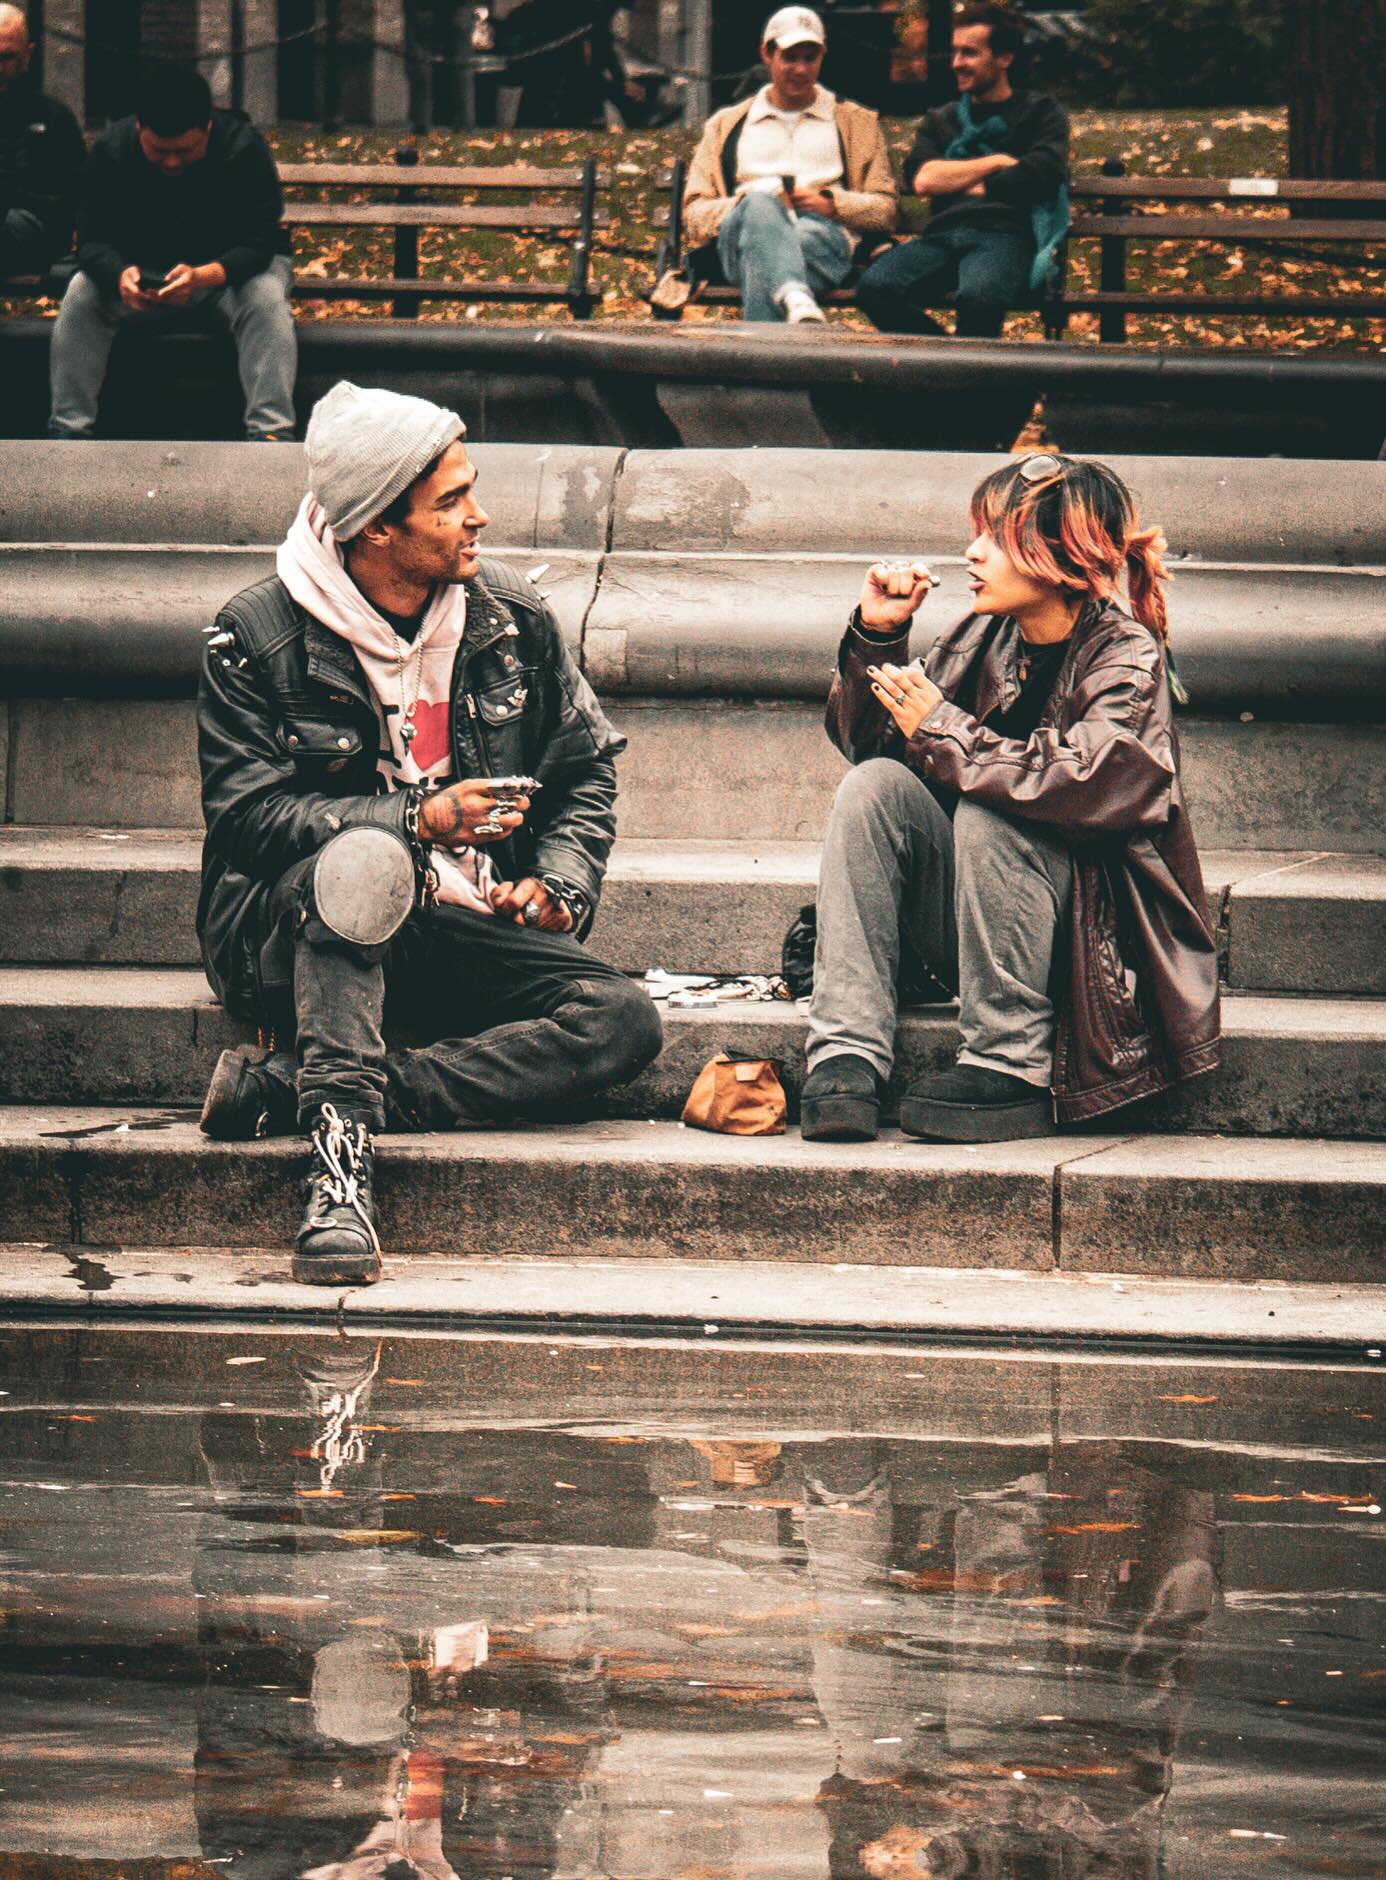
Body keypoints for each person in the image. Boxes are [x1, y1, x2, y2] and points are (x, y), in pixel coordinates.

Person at [194, 382, 663, 1284]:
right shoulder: (252, 636)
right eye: (450, 502)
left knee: (621, 1020)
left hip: (456, 916)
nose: (478, 518)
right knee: (364, 862)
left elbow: (583, 770)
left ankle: (306, 1092)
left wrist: (559, 878)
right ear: (375, 527)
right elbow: (249, 822)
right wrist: (418, 817)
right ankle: (338, 1172)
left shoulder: (511, 620)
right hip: (288, 928)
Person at [800, 453, 1219, 1145]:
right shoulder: (979, 636)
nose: (972, 553)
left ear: (1057, 553)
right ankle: (846, 1051)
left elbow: (1085, 784)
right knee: (873, 788)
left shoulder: (1126, 657)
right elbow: (881, 751)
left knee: (993, 803)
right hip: (979, 930)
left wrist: (946, 728)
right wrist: (879, 636)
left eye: (994, 537)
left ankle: (1010, 1064)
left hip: (1091, 951)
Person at [47, 64, 296, 441]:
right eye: (159, 151)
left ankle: (271, 432)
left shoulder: (243, 146)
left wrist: (204, 276)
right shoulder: (109, 149)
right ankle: (68, 428)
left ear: (207, 129)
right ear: (138, 129)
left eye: (185, 150)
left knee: (266, 299)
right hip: (140, 277)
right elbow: (91, 240)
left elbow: (261, 243)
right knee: (81, 293)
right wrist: (117, 274)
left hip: (228, 278)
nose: (172, 161)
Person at [856, 2, 1068, 339]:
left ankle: (961, 384)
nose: (956, 63)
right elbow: (922, 178)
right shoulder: (941, 119)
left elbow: (1040, 174)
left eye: (969, 53)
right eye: (955, 52)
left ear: (1004, 59)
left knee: (980, 297)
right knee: (874, 287)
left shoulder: (1040, 112)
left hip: (1004, 237)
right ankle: (950, 374)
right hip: (941, 236)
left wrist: (955, 181)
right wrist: (996, 163)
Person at [680, 4, 896, 325]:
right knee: (759, 203)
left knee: (773, 257)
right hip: (738, 240)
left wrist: (831, 204)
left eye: (810, 58)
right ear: (766, 55)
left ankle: (771, 342)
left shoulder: (856, 123)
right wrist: (749, 205)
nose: (800, 69)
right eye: (790, 58)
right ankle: (794, 295)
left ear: (823, 57)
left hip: (824, 240)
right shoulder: (727, 125)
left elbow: (885, 210)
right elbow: (695, 212)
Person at [0, 4, 84, 280]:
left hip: (32, 229)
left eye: (6, 57)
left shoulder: (54, 118)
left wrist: (15, 195)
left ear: (27, 55)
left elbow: (78, 198)